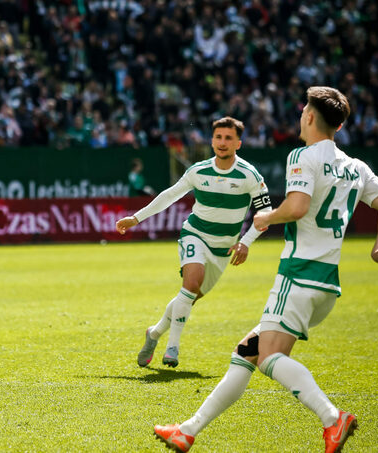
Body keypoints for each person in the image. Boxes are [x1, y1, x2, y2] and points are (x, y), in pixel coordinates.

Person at [153, 87, 378, 452]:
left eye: (303, 110)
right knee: (246, 351)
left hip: (298, 275)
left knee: (270, 356)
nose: (301, 115)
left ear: (310, 117)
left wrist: (267, 216)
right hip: (326, 284)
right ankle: (187, 431)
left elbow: (297, 207)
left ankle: (332, 418)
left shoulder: (302, 156)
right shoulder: (356, 167)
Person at [116, 117, 272, 368]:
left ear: (238, 143)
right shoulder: (198, 171)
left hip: (223, 249)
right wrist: (136, 218)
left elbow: (266, 213)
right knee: (190, 284)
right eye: (218, 137)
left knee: (188, 297)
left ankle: (154, 333)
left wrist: (246, 242)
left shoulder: (249, 175)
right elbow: (169, 195)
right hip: (195, 234)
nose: (222, 142)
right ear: (212, 141)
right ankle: (172, 348)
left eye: (228, 138)